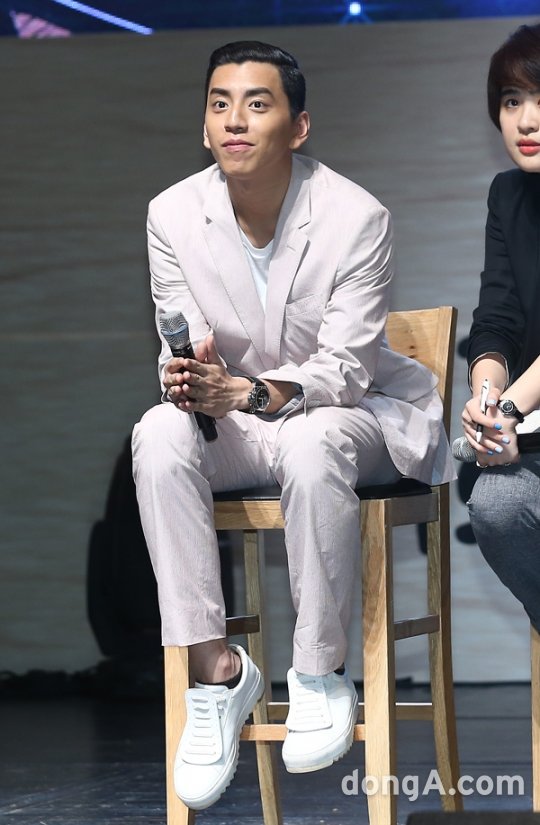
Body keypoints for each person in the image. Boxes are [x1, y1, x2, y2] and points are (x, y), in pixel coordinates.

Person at [132, 40, 454, 811]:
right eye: (219, 104)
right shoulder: (171, 215)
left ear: (299, 125)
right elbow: (182, 340)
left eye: (257, 103)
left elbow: (344, 370)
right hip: (240, 426)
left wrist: (244, 391)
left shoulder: (356, 216)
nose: (234, 120)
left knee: (312, 439)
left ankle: (318, 672)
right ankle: (217, 673)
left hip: (350, 419)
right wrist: (187, 373)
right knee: (156, 433)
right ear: (204, 125)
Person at [462, 24, 540, 633]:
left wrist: (511, 408)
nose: (526, 120)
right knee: (497, 503)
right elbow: (497, 319)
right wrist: (488, 405)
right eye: (512, 101)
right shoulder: (508, 196)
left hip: (529, 412)